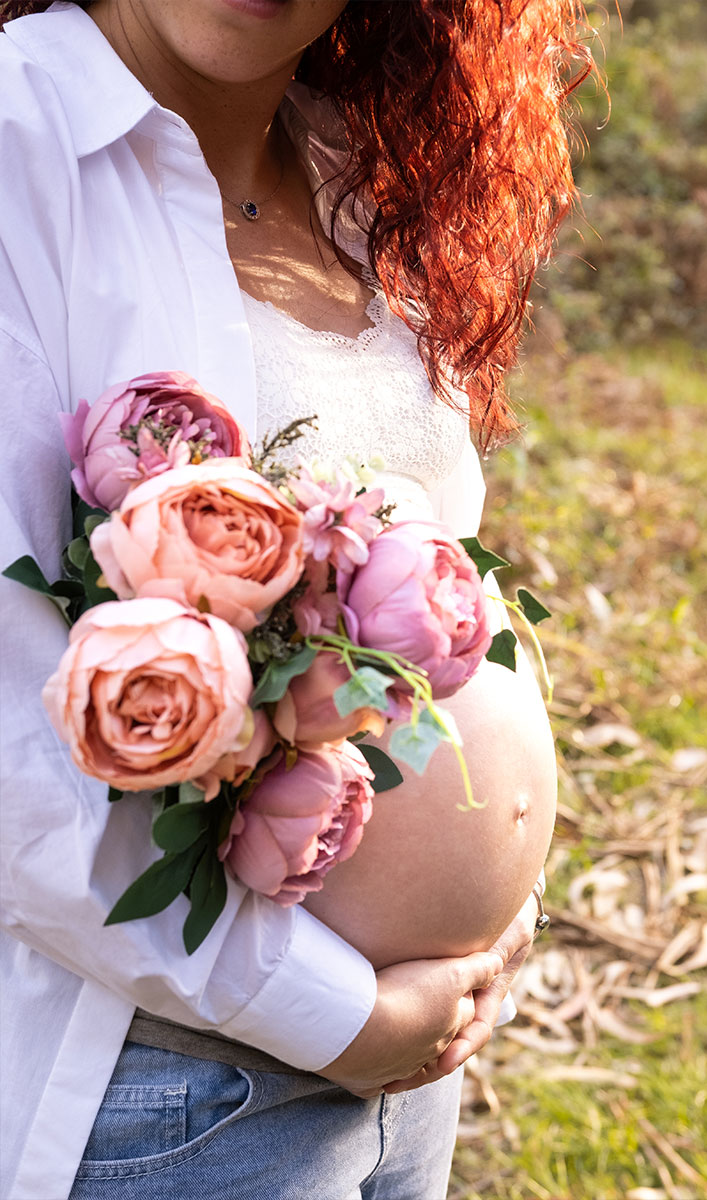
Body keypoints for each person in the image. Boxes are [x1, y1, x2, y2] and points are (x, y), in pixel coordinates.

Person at [0, 1, 590, 1197]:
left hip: (411, 1069)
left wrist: (483, 913)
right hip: (169, 1096)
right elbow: (11, 758)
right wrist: (343, 1016)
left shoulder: (351, 163)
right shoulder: (21, 153)